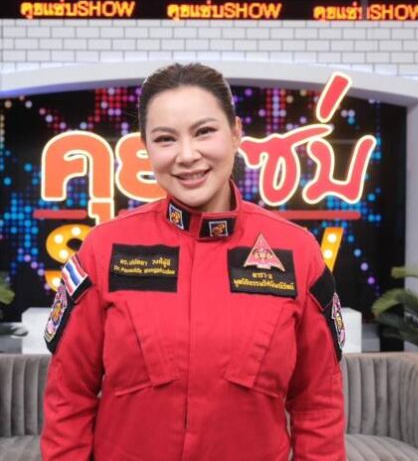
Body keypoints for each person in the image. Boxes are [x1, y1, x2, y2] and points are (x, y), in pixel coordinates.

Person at [41, 63, 346, 460]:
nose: (187, 155)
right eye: (165, 139)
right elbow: (68, 396)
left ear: (235, 133)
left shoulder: (297, 253)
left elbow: (318, 404)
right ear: (146, 149)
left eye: (204, 131)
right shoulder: (105, 249)